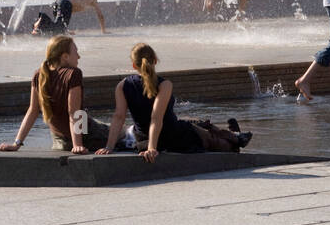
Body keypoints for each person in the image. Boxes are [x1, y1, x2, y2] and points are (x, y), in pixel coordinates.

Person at [96, 43, 251, 158]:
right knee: (211, 140)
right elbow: (156, 118)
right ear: (155, 61)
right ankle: (235, 141)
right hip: (173, 137)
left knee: (198, 122)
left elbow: (118, 117)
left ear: (134, 65)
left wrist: (109, 147)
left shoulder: (122, 85)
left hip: (144, 136)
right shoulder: (164, 84)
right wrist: (152, 148)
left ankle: (235, 134)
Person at [0, 36, 112, 153]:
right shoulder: (74, 73)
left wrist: (16, 143)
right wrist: (77, 145)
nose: (79, 56)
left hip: (59, 140)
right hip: (86, 135)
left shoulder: (39, 74)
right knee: (121, 131)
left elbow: (32, 111)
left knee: (101, 123)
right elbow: (74, 112)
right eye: (76, 52)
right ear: (65, 57)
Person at [32, 0, 105, 35]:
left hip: (58, 1)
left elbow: (65, 17)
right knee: (58, 30)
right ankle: (42, 18)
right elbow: (100, 15)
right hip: (65, 3)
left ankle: (38, 29)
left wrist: (65, 30)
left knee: (59, 29)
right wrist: (103, 30)